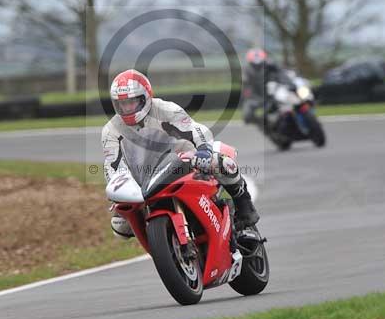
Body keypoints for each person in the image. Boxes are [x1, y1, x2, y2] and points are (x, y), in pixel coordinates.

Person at [102, 69, 260, 239]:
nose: (127, 108)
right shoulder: (110, 130)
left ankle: (244, 202)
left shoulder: (166, 109)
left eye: (131, 102)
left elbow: (195, 130)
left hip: (184, 163)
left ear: (144, 97)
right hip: (145, 182)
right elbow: (112, 166)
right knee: (120, 228)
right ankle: (162, 242)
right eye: (122, 104)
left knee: (221, 162)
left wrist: (203, 150)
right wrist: (119, 193)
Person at [241, 48, 284, 125]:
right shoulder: (247, 70)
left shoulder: (270, 66)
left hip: (270, 94)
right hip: (255, 96)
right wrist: (247, 93)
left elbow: (280, 74)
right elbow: (245, 83)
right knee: (247, 116)